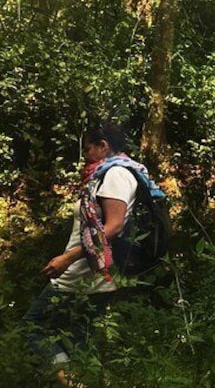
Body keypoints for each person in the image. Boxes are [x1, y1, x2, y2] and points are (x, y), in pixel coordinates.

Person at [22, 123, 156, 386]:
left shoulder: (116, 174)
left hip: (81, 274)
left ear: (103, 146)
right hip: (95, 274)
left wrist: (68, 258)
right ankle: (82, 380)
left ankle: (70, 383)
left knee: (32, 326)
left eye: (88, 148)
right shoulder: (110, 173)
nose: (85, 155)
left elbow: (113, 227)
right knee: (78, 342)